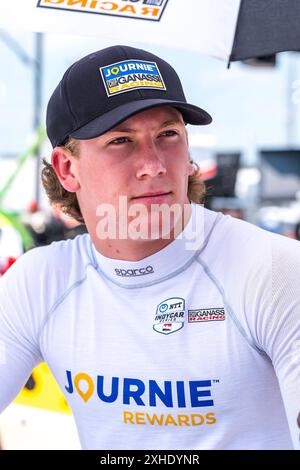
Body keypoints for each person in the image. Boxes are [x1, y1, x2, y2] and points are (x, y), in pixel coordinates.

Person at [0, 45, 299, 451]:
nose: (155, 164)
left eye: (168, 134)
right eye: (122, 141)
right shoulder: (41, 282)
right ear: (67, 168)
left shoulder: (275, 272)